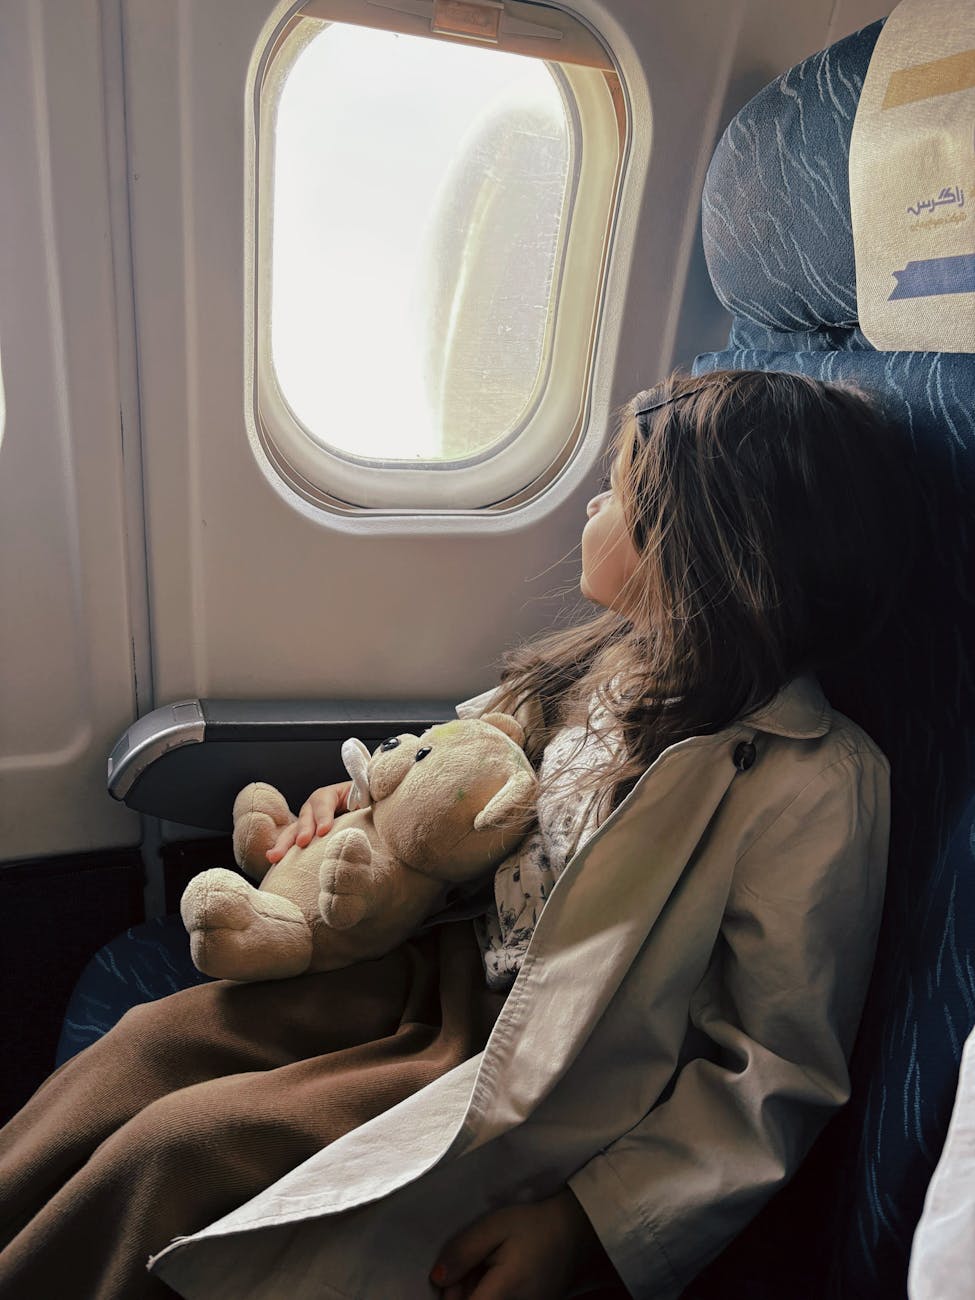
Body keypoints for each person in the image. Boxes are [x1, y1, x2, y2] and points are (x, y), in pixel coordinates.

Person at [0, 370, 910, 1300]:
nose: (593, 502)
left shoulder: (813, 783)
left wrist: (587, 1223)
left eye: (622, 493)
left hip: (544, 1068)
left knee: (179, 1151)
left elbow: (771, 1073)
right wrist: (353, 804)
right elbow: (450, 765)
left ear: (705, 556)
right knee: (144, 1050)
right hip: (432, 965)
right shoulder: (617, 664)